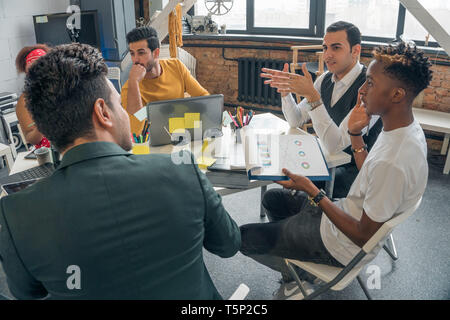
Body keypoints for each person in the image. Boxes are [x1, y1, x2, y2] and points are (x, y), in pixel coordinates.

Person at [0, 43, 240, 300]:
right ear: (103, 112)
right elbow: (229, 245)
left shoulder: (15, 214)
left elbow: (28, 292)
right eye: (119, 103)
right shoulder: (182, 172)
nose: (125, 113)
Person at [241, 42, 432, 300]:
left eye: (371, 84)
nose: (362, 90)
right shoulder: (406, 129)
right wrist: (355, 134)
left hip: (340, 244)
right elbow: (371, 174)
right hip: (341, 212)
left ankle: (299, 276)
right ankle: (294, 265)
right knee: (271, 199)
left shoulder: (395, 160)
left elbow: (363, 235)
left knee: (241, 237)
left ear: (397, 95)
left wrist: (313, 192)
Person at [261, 21, 383, 198]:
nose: (327, 55)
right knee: (278, 174)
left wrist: (312, 97)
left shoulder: (369, 88)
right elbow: (295, 120)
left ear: (355, 51)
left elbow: (335, 146)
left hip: (354, 174)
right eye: (325, 48)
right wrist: (286, 93)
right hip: (327, 159)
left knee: (284, 186)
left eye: (336, 48)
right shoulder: (325, 79)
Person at [121, 26, 209, 135]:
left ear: (156, 53)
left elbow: (203, 97)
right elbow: (136, 130)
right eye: (132, 54)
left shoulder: (176, 66)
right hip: (153, 143)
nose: (135, 60)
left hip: (182, 134)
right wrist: (133, 83)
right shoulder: (129, 88)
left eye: (141, 53)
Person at [14, 44, 51, 148]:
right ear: (27, 72)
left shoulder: (63, 88)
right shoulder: (25, 101)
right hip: (47, 154)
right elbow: (32, 139)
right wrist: (43, 121)